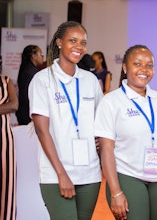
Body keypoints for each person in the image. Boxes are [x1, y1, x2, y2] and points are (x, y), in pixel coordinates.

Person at [28, 21, 103, 220]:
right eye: (73, 40)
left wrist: (99, 142)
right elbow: (42, 131)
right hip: (56, 173)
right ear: (59, 42)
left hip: (90, 173)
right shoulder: (42, 80)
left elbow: (100, 122)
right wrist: (61, 174)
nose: (79, 47)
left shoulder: (90, 81)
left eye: (83, 42)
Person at [94, 44, 157, 220]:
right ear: (125, 67)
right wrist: (115, 192)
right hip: (128, 176)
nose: (144, 70)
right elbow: (106, 149)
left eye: (149, 65)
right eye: (137, 64)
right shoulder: (111, 102)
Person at [0, 72, 19, 220]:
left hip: (4, 141)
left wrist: (7, 107)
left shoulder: (6, 81)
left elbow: (14, 105)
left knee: (6, 187)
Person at [16, 45, 44, 125]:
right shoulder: (32, 73)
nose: (42, 57)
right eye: (40, 54)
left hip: (24, 113)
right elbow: (29, 97)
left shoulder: (26, 70)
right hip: (29, 115)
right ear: (33, 56)